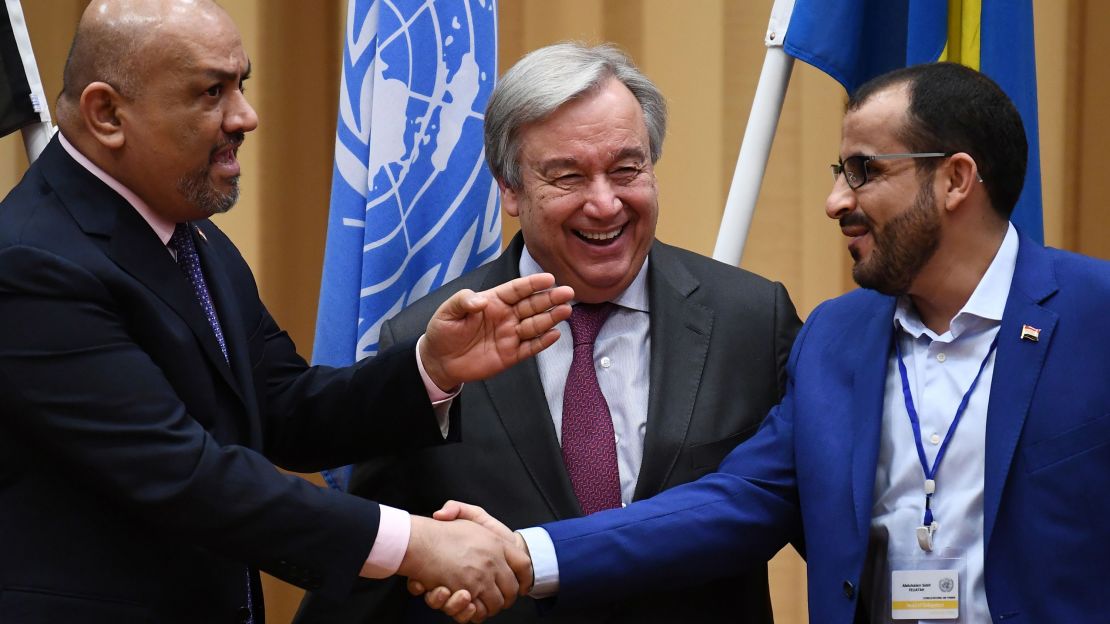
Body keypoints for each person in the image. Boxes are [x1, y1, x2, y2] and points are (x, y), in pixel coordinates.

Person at [421, 62, 1110, 623]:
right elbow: (736, 503)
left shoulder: (1094, 317)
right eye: (839, 173)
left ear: (955, 179)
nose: (836, 201)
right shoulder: (836, 340)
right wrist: (523, 554)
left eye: (864, 171)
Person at [0, 1, 574, 622]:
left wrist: (429, 369)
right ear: (107, 114)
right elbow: (186, 476)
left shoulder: (187, 235)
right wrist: (416, 544)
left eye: (240, 85)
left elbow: (282, 409)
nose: (246, 116)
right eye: (210, 92)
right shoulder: (32, 264)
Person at [294, 42, 800, 624]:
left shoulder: (752, 320)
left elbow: (811, 505)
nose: (605, 203)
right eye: (568, 177)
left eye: (627, 169)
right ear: (510, 190)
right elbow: (373, 564)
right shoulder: (430, 347)